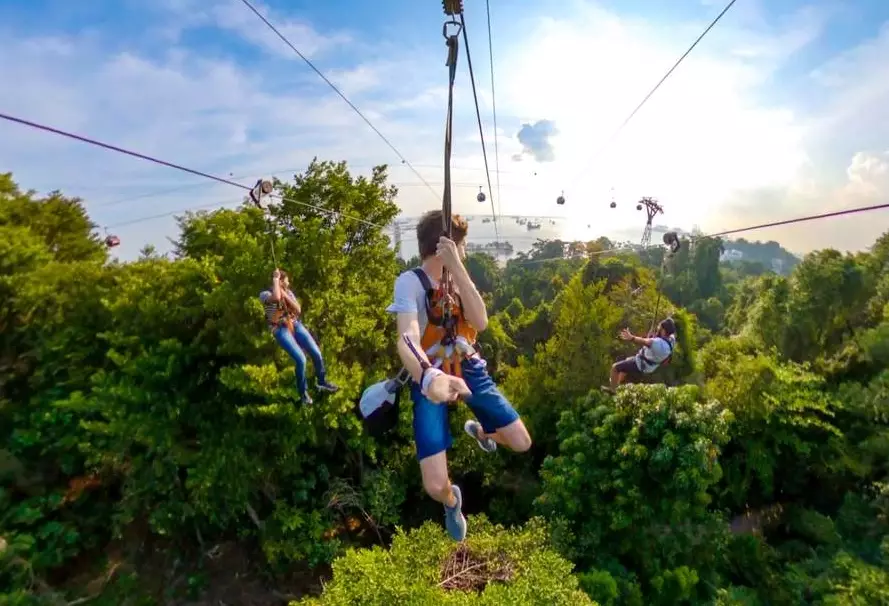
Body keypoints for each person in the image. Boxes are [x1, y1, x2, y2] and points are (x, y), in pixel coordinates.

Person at [387, 210, 532, 542]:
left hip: (466, 364)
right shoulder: (410, 282)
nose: (464, 252)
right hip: (429, 368)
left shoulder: (459, 279)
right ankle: (452, 503)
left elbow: (480, 322)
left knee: (521, 442)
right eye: (461, 246)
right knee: (435, 485)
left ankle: (482, 432)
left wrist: (457, 269)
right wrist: (428, 377)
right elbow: (407, 336)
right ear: (446, 245)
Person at [259, 269, 338, 405]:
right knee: (301, 360)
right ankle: (303, 394)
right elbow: (276, 298)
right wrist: (276, 279)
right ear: (280, 281)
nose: (289, 283)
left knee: (316, 353)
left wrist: (285, 293)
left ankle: (321, 381)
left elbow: (298, 309)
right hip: (279, 329)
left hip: (294, 323)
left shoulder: (288, 292)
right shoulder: (265, 294)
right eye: (286, 281)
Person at [602, 317, 677, 394]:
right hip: (650, 367)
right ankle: (617, 385)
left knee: (615, 367)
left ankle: (612, 391)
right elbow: (667, 331)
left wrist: (631, 337)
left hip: (640, 364)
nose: (658, 328)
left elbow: (644, 341)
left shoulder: (657, 343)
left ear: (663, 330)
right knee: (627, 362)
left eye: (659, 327)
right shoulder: (671, 340)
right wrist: (653, 335)